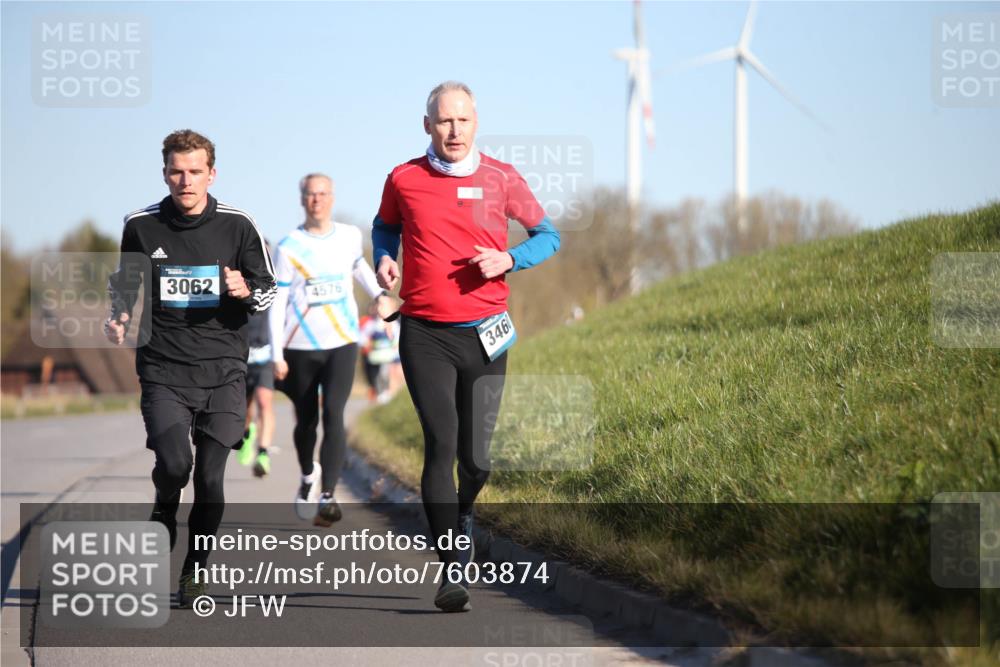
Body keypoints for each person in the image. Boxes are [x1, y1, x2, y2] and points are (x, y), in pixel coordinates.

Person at [372, 81, 560, 612]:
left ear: (477, 123)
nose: (454, 130)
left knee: (476, 459)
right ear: (427, 124)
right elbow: (385, 226)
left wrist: (510, 259)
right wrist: (386, 255)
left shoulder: (502, 177)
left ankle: (465, 510)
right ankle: (452, 568)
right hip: (425, 332)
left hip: (486, 332)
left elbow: (548, 234)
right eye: (443, 121)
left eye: (463, 120)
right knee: (441, 443)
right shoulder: (404, 178)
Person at [105, 129, 276, 607]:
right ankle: (164, 502)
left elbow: (268, 290)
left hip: (224, 369)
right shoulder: (141, 225)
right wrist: (117, 317)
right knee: (177, 464)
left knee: (211, 480)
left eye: (195, 171)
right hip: (163, 368)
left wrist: (244, 290)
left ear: (211, 174)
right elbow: (125, 284)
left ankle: (195, 570)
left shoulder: (239, 225)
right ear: (164, 174)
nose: (186, 180)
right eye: (177, 172)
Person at [270, 173, 384, 526]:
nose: (317, 199)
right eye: (310, 194)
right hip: (300, 346)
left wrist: (380, 294)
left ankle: (328, 494)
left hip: (342, 341)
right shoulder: (288, 246)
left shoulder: (349, 236)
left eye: (323, 194)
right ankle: (308, 476)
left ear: (332, 198)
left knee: (335, 413)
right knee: (307, 420)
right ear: (302, 199)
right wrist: (276, 353)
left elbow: (359, 268)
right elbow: (278, 301)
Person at [237, 239, 276, 477]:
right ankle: (247, 433)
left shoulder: (276, 285)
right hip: (242, 357)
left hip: (266, 356)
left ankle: (263, 453)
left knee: (265, 402)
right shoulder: (240, 283)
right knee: (245, 410)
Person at [358, 295, 404, 404]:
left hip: (392, 355)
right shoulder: (371, 323)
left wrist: (396, 345)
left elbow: (398, 336)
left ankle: (393, 398)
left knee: (394, 375)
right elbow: (361, 337)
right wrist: (367, 343)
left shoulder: (394, 323)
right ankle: (381, 398)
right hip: (376, 356)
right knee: (378, 378)